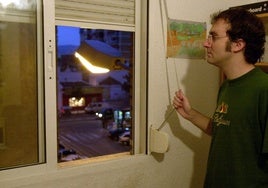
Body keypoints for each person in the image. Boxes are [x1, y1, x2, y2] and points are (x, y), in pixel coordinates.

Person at [173, 8, 268, 187]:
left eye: (214, 37)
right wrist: (190, 114)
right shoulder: (226, 85)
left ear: (237, 44)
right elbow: (225, 131)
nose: (206, 44)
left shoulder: (264, 89)